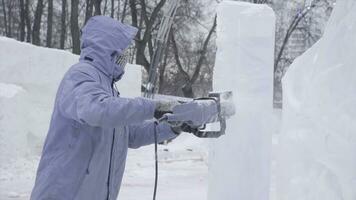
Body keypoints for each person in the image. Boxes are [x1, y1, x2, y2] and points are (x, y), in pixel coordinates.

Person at [30, 16, 180, 200]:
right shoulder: (80, 75)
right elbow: (96, 110)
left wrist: (172, 127)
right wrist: (152, 107)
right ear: (109, 50)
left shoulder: (107, 88)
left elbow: (128, 134)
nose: (126, 55)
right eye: (123, 49)